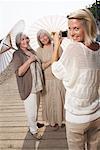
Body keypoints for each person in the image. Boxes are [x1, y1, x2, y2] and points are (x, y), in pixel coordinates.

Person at [51, 9, 100, 150]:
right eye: (70, 28)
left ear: (88, 26)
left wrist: (56, 45)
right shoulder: (98, 49)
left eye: (76, 28)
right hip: (96, 114)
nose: (72, 33)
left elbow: (56, 71)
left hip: (77, 117)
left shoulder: (73, 48)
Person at [12, 32, 44, 139]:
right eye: (22, 39)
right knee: (31, 109)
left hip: (37, 84)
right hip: (28, 86)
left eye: (26, 38)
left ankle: (33, 123)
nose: (25, 41)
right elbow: (19, 72)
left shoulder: (31, 51)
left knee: (36, 107)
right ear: (18, 42)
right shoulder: (17, 54)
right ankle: (33, 130)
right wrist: (30, 60)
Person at [36, 29, 65, 129]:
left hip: (58, 79)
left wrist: (57, 47)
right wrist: (51, 61)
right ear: (39, 40)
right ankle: (52, 122)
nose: (44, 38)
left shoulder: (57, 47)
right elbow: (41, 67)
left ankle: (60, 121)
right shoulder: (39, 50)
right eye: (41, 37)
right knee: (49, 102)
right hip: (47, 80)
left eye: (45, 36)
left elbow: (63, 62)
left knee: (59, 100)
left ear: (48, 36)